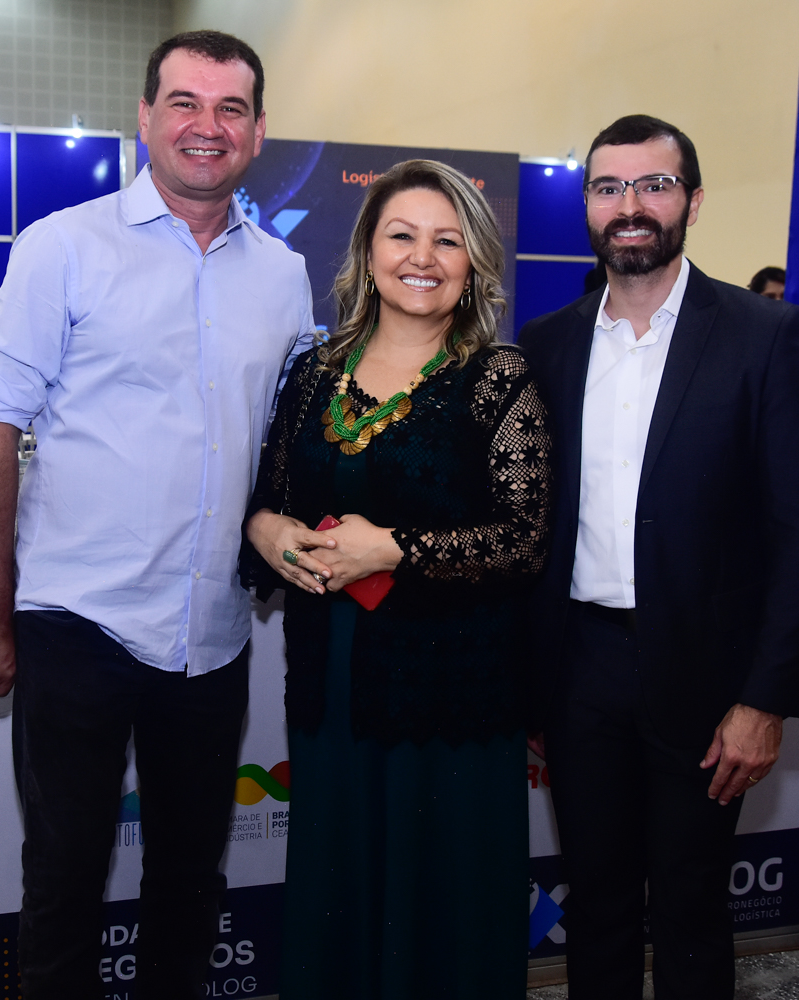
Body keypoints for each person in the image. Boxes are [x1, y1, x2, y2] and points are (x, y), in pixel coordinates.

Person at [0, 30, 314, 1000]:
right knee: (64, 877)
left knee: (190, 879)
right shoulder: (64, 246)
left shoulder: (281, 275)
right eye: (184, 103)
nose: (207, 126)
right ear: (146, 117)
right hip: (78, 620)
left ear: (258, 131)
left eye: (230, 108)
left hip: (211, 634)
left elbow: (293, 437)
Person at [519, 115, 799, 999]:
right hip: (578, 669)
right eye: (607, 187)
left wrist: (765, 700)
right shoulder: (544, 345)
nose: (629, 205)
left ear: (691, 202)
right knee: (597, 901)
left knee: (692, 906)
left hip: (707, 678)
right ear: (587, 207)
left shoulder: (763, 335)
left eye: (652, 185)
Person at [244, 159, 552, 1000]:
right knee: (339, 888)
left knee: (444, 904)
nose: (422, 257)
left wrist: (394, 549)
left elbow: (522, 541)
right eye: (402, 235)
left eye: (447, 241)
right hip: (333, 687)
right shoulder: (314, 374)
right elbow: (270, 502)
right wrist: (266, 530)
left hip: (451, 696)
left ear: (473, 262)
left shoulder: (498, 379)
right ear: (367, 252)